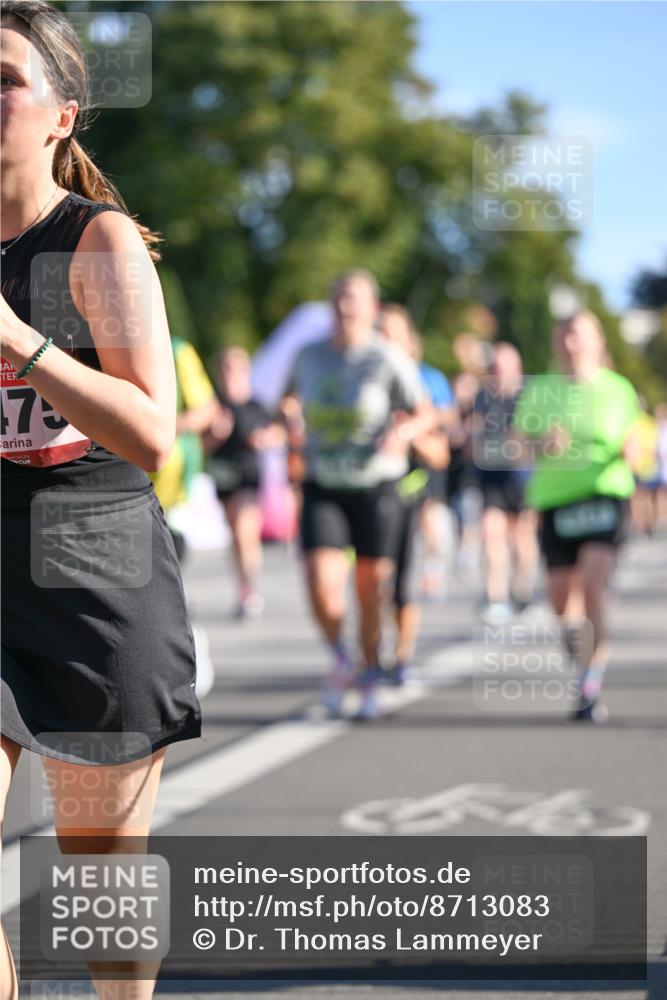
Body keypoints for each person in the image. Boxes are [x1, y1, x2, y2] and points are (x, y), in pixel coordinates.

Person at [0, 3, 200, 996]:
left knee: (103, 901)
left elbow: (153, 434)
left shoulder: (95, 243)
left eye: (4, 80)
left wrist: (22, 344)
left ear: (62, 115)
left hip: (95, 573)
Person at [281, 270, 432, 719]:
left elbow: (426, 412)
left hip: (377, 483)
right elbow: (285, 400)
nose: (346, 308)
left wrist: (405, 430)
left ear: (372, 309)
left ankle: (369, 669)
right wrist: (290, 420)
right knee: (323, 585)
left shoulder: (387, 358)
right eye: (340, 299)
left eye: (355, 301)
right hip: (324, 482)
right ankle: (342, 659)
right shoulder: (308, 356)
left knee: (372, 590)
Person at [513, 311, 640, 723]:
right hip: (555, 501)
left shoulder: (617, 389)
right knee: (560, 598)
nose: (571, 344)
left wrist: (632, 452)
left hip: (605, 494)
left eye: (579, 336)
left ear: (598, 341)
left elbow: (636, 437)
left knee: (593, 586)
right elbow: (515, 446)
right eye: (564, 335)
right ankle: (576, 644)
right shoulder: (542, 390)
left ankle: (590, 681)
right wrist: (538, 443)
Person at [379, 305, 450, 684]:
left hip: (408, 495)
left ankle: (401, 657)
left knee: (404, 584)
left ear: (409, 344)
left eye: (392, 335)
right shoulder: (362, 379)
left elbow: (441, 453)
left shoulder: (420, 385)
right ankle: (370, 656)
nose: (384, 342)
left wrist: (409, 435)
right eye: (380, 334)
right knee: (374, 581)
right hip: (367, 494)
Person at [149, 335, 218, 697]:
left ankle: (188, 642)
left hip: (174, 490)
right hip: (122, 487)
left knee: (166, 575)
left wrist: (156, 425)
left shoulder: (177, 350)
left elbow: (207, 410)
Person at [204, 346, 286, 619]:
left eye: (237, 369)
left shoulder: (256, 405)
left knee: (244, 532)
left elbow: (278, 433)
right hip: (224, 475)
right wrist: (215, 436)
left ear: (246, 372)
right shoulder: (213, 405)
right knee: (236, 536)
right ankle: (243, 586)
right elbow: (201, 445)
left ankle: (250, 589)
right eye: (226, 369)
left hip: (249, 477)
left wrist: (265, 438)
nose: (231, 375)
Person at [473, 342, 539, 622]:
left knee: (523, 539)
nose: (498, 373)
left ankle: (522, 591)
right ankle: (495, 597)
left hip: (523, 479)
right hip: (492, 478)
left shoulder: (530, 397)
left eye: (503, 368)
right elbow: (472, 430)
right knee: (492, 533)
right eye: (494, 368)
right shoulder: (483, 397)